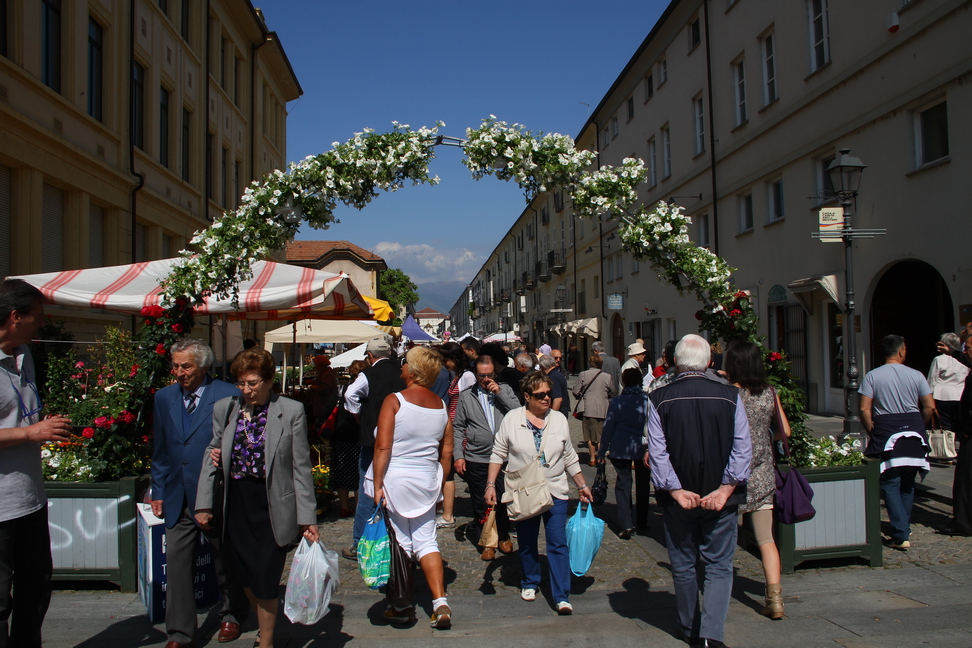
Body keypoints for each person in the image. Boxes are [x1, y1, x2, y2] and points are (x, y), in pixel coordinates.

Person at [195, 348, 318, 648]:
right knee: (244, 575)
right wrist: (203, 503)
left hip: (272, 504)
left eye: (252, 383)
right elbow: (210, 457)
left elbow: (301, 467)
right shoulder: (226, 409)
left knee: (265, 575)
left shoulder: (290, 411)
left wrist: (307, 519)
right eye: (241, 383)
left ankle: (267, 641)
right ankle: (263, 622)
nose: (246, 390)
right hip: (236, 502)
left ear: (267, 381)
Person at [647, 334, 752, 648]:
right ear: (709, 362)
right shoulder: (730, 396)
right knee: (719, 564)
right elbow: (743, 449)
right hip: (720, 495)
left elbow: (657, 451)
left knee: (683, 562)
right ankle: (711, 634)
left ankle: (689, 627)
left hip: (680, 497)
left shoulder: (658, 397)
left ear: (676, 362)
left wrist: (675, 490)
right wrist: (725, 488)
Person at [150, 338, 247, 648]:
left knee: (224, 559)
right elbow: (161, 449)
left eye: (186, 366)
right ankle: (179, 632)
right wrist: (158, 489)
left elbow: (244, 443)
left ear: (203, 366)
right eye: (175, 366)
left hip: (215, 492)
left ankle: (231, 614)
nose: (179, 372)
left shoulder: (228, 395)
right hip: (178, 494)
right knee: (177, 565)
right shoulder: (164, 398)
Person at [0, 279, 73, 648]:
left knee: (36, 589)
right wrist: (30, 434)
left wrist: (42, 426)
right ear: (15, 317)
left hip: (29, 498)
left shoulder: (24, 353)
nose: (43, 323)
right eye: (38, 317)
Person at [486, 372, 593, 615]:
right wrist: (491, 484)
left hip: (555, 489)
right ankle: (530, 581)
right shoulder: (512, 419)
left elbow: (568, 455)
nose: (546, 398)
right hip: (524, 490)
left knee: (557, 543)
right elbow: (498, 453)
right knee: (527, 541)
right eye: (540, 395)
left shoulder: (558, 420)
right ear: (526, 396)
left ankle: (561, 595)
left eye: (549, 394)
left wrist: (581, 484)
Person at [366, 347, 455, 629]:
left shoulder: (395, 401)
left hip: (396, 479)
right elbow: (447, 452)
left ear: (413, 372)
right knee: (426, 540)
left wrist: (378, 484)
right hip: (427, 478)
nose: (401, 367)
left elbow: (383, 446)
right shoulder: (441, 406)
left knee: (402, 541)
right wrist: (439, 485)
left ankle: (401, 604)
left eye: (404, 364)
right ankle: (440, 602)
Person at [723, 341, 790, 620]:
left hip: (732, 473)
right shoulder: (769, 392)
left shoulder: (730, 394)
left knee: (724, 537)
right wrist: (764, 437)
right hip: (762, 472)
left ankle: (719, 589)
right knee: (766, 539)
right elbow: (784, 429)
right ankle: (774, 597)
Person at [859, 335, 935, 549]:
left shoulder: (872, 376)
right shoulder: (916, 375)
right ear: (901, 351)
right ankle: (903, 528)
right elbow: (929, 405)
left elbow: (864, 408)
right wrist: (920, 423)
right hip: (914, 430)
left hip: (886, 429)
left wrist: (871, 430)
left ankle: (901, 533)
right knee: (908, 482)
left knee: (890, 482)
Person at [343, 338, 405, 560]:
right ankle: (397, 538)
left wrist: (359, 416)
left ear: (369, 356)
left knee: (368, 490)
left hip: (373, 440)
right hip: (399, 439)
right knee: (395, 488)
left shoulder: (367, 375)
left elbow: (350, 395)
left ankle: (360, 541)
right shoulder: (401, 372)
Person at [453, 355, 519, 560]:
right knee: (481, 502)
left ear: (495, 374)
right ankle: (487, 540)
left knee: (502, 498)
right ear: (475, 374)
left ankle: (503, 536)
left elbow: (519, 412)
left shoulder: (505, 390)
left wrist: (498, 393)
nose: (485, 379)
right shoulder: (467, 396)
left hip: (503, 455)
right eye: (481, 375)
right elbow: (458, 427)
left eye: (489, 375)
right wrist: (458, 455)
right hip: (476, 457)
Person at [597, 368, 650, 539]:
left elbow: (608, 428)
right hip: (642, 447)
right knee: (643, 485)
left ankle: (626, 523)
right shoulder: (646, 400)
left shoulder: (618, 402)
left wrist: (602, 450)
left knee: (623, 484)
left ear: (624, 382)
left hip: (620, 447)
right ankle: (642, 520)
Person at [433, 342, 474, 530]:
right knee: (451, 469)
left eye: (445, 360)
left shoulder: (467, 377)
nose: (444, 364)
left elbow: (471, 405)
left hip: (461, 430)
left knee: (466, 471)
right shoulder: (456, 375)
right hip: (452, 428)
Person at [330, 360, 367, 518]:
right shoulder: (364, 391)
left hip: (341, 433)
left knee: (342, 470)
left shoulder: (342, 389)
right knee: (359, 472)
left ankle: (344, 506)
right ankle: (358, 506)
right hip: (357, 434)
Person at [572, 353, 617, 466]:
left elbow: (576, 391)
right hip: (603, 408)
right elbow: (614, 391)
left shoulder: (583, 374)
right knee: (602, 434)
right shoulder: (607, 376)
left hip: (588, 408)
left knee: (589, 434)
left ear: (589, 363)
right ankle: (601, 457)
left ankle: (592, 458)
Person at [927, 332, 969, 433]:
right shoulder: (964, 360)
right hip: (960, 395)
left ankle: (947, 445)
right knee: (958, 424)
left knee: (945, 425)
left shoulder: (938, 360)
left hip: (942, 396)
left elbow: (932, 380)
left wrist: (929, 398)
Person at [548, 349, 572, 419]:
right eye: (556, 358)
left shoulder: (560, 371)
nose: (558, 360)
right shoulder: (553, 372)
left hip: (561, 409)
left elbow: (558, 398)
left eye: (560, 358)